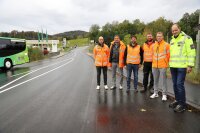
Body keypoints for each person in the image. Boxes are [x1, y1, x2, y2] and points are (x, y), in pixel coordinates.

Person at [169, 24, 196, 112]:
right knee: (174, 84)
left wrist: (190, 65)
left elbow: (191, 52)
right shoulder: (172, 40)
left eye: (176, 30)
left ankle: (182, 104)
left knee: (179, 84)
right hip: (173, 66)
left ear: (179, 29)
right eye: (173, 31)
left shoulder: (187, 38)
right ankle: (177, 100)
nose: (174, 32)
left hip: (182, 66)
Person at [150, 32, 170, 101]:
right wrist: (153, 63)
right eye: (157, 36)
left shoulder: (166, 45)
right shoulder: (153, 45)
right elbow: (152, 55)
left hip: (163, 65)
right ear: (156, 37)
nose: (159, 37)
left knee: (163, 81)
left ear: (162, 37)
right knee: (155, 80)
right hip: (154, 65)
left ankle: (164, 94)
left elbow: (169, 55)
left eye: (160, 36)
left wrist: (167, 64)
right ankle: (156, 93)